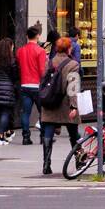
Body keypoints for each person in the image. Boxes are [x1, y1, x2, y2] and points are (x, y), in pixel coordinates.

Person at [39, 37, 81, 176]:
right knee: (74, 134)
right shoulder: (73, 64)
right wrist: (74, 106)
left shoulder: (49, 62)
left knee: (48, 134)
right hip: (65, 104)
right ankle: (79, 161)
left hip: (49, 102)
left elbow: (44, 80)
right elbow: (72, 88)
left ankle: (46, 164)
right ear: (69, 49)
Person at [16, 26, 46, 145]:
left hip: (24, 84)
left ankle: (26, 136)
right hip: (37, 85)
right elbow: (42, 70)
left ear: (27, 36)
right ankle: (43, 136)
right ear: (38, 35)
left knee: (25, 113)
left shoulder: (20, 51)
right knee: (43, 112)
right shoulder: (40, 51)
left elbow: (19, 65)